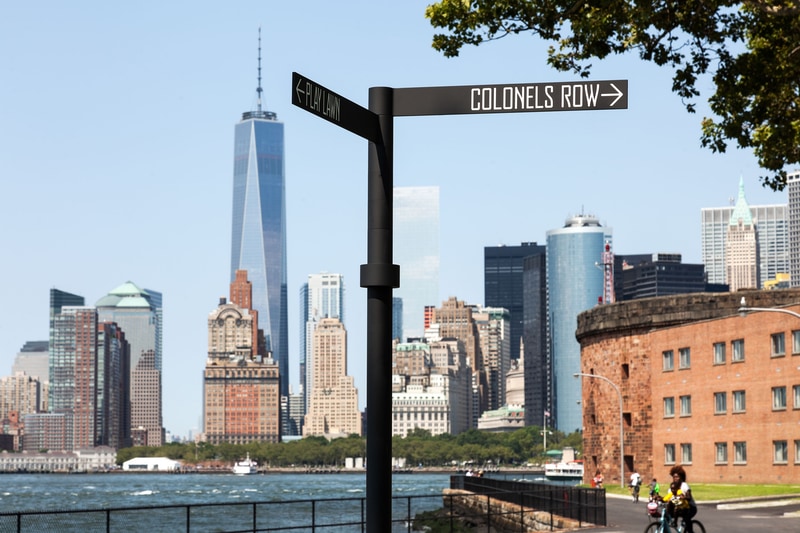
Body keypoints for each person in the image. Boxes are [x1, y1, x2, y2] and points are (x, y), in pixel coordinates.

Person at [665, 465, 697, 533]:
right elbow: (668, 498)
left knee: (687, 519)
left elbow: (689, 497)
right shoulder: (672, 488)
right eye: (674, 477)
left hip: (690, 507)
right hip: (680, 507)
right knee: (666, 516)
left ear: (681, 478)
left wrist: (684, 497)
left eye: (677, 477)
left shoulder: (684, 485)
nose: (675, 479)